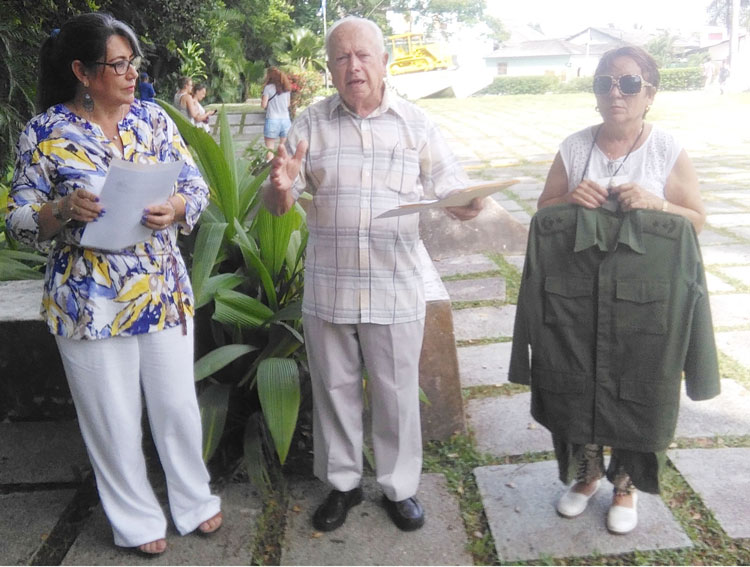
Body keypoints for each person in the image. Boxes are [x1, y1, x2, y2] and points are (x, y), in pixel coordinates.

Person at [5, 13, 222, 555]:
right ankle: (135, 518)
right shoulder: (45, 132)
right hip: (88, 301)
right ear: (82, 71)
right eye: (118, 65)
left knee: (176, 406)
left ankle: (194, 501)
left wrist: (174, 206)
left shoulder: (153, 119)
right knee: (112, 417)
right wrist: (59, 210)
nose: (131, 75)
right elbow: (18, 219)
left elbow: (195, 186)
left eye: (134, 63)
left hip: (161, 289)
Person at [263, 16, 484, 533]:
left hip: (394, 281)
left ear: (384, 62)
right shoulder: (310, 125)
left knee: (396, 390)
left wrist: (465, 204)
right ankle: (342, 484)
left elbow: (452, 184)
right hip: (331, 283)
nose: (353, 65)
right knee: (334, 388)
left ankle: (399, 487)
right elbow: (277, 204)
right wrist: (279, 185)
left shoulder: (415, 123)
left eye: (363, 55)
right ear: (331, 69)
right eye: (341, 57)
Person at [531, 46, 709, 534]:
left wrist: (658, 205)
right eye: (606, 83)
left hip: (644, 303)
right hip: (577, 297)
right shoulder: (574, 147)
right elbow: (543, 211)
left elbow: (696, 219)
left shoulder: (666, 149)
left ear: (649, 93)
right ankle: (586, 476)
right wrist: (569, 197)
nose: (616, 93)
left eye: (629, 84)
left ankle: (625, 484)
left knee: (636, 383)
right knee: (579, 377)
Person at [261, 67, 292, 160]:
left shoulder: (268, 88)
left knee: (269, 149)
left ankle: (269, 170)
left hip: (272, 119)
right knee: (283, 149)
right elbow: (288, 104)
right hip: (286, 120)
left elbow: (263, 105)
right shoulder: (286, 88)